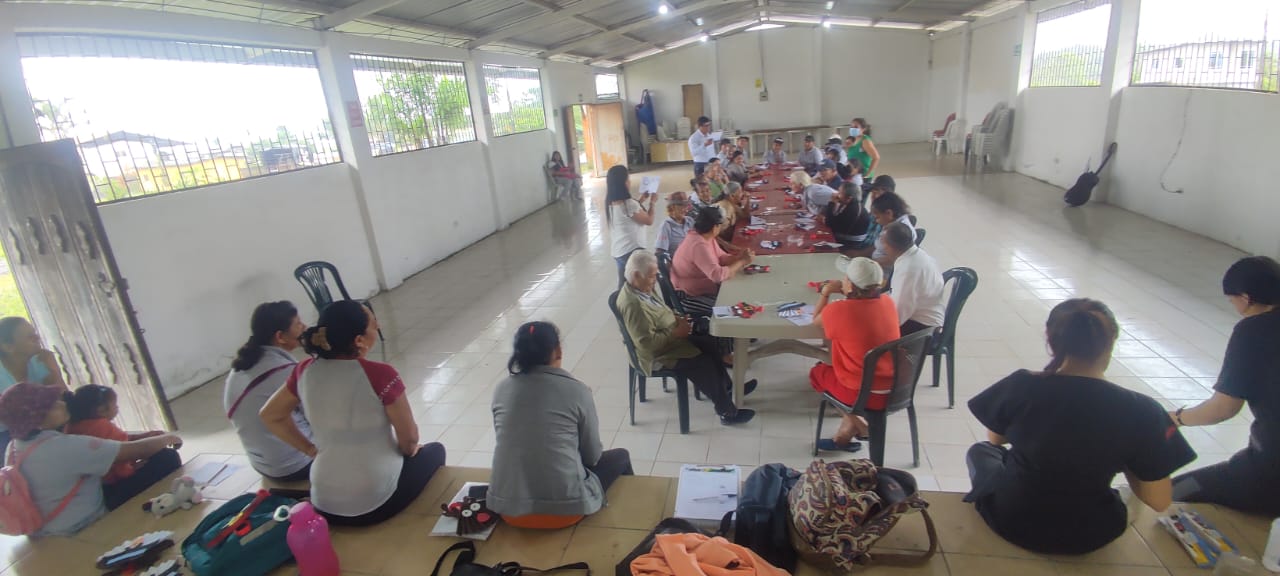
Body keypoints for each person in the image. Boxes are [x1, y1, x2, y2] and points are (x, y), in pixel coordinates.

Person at [965, 299, 1195, 555]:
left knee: (982, 451)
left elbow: (996, 440)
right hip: (1091, 533)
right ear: (1111, 341)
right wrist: (1127, 453)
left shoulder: (1023, 385)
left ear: (1051, 339)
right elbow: (1158, 500)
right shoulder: (1144, 410)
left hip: (1009, 519)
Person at [260, 300, 446, 526]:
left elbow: (270, 415)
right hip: (375, 502)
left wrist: (309, 449)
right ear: (359, 340)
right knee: (435, 451)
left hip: (323, 501)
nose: (378, 326)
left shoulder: (303, 370)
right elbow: (409, 440)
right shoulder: (380, 375)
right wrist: (409, 452)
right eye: (373, 323)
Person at [490, 321, 634, 529]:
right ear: (557, 351)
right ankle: (628, 521)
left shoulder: (501, 390)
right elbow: (592, 457)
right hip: (566, 512)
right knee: (621, 456)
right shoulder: (576, 390)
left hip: (509, 509)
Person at [1170, 256, 1280, 516]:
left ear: (1245, 298)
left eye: (1232, 301)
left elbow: (1223, 408)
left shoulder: (1253, 331)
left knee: (1174, 491)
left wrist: (1176, 418)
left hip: (1269, 472)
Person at [0, 382, 183, 535]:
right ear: (36, 420)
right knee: (166, 458)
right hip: (80, 523)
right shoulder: (62, 447)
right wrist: (167, 439)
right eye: (54, 405)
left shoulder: (14, 446)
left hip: (42, 528)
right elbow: (133, 451)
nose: (63, 404)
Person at [619, 250, 755, 425]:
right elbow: (647, 345)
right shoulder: (633, 305)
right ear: (637, 275)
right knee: (703, 362)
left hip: (670, 340)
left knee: (710, 343)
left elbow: (662, 311)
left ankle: (728, 389)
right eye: (652, 276)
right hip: (657, 355)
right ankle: (726, 412)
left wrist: (678, 319)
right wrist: (676, 332)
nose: (654, 280)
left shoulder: (642, 288)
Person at [809, 257, 901, 451]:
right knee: (852, 372)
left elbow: (816, 320)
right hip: (896, 388)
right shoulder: (888, 302)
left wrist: (826, 293)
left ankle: (861, 425)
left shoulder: (839, 310)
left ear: (849, 284)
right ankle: (843, 437)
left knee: (818, 373)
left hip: (862, 394)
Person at [223, 301, 314, 482]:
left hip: (261, 465)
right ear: (280, 337)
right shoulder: (285, 371)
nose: (304, 327)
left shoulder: (240, 366)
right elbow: (317, 418)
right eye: (298, 324)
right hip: (295, 464)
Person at [65, 384, 173, 486]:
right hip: (115, 483)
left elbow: (121, 443)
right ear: (101, 410)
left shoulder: (71, 427)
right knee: (168, 456)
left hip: (92, 485)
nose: (117, 408)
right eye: (115, 405)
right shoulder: (104, 427)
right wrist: (135, 468)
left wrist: (144, 436)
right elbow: (121, 467)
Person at [670, 207, 753, 309]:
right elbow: (717, 275)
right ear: (714, 227)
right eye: (720, 225)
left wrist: (738, 258)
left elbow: (721, 257)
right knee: (732, 306)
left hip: (704, 286)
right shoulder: (698, 245)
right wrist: (741, 261)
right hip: (690, 295)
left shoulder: (706, 236)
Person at [881, 223, 945, 335]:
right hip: (918, 314)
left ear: (891, 247)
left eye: (884, 244)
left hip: (922, 328)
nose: (884, 249)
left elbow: (897, 315)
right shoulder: (916, 254)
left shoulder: (909, 270)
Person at [606, 164, 656, 287]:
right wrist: (652, 203)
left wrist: (641, 200)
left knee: (624, 285)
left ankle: (620, 300)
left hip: (619, 250)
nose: (630, 181)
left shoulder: (610, 202)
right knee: (637, 285)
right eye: (628, 179)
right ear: (623, 183)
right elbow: (649, 220)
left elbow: (630, 213)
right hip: (631, 250)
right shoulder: (629, 204)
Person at [822, 182, 873, 249]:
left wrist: (832, 203)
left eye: (840, 193)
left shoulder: (852, 210)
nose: (837, 195)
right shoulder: (852, 204)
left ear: (849, 198)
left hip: (850, 244)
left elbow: (829, 224)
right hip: (845, 236)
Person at [869, 192, 914, 264]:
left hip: (883, 267)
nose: (876, 221)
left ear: (889, 213)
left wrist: (871, 263)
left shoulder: (900, 231)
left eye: (877, 217)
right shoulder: (891, 223)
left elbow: (893, 259)